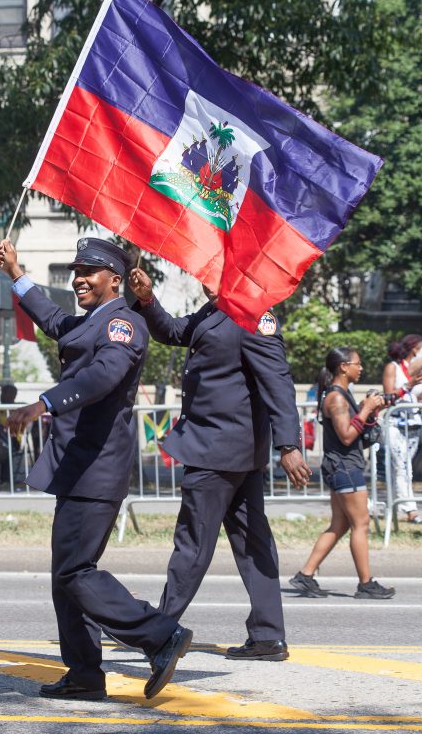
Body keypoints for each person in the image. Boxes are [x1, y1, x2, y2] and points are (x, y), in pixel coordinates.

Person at [0, 238, 192, 701]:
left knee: (75, 572)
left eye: (90, 271)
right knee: (67, 576)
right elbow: (54, 320)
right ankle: (84, 672)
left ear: (115, 281)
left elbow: (102, 376)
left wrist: (44, 402)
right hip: (78, 469)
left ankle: (159, 633)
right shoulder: (91, 322)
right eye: (76, 270)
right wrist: (16, 273)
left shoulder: (124, 324)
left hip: (97, 470)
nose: (78, 278)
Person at [128, 267, 311, 662]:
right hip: (231, 450)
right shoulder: (212, 311)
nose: (207, 282)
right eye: (205, 275)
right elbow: (175, 332)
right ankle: (267, 636)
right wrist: (147, 300)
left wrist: (289, 444)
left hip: (218, 450)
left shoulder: (253, 312)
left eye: (216, 275)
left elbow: (278, 380)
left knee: (192, 543)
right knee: (251, 542)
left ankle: (160, 631)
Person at [290, 347, 395, 600]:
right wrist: (366, 409)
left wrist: (373, 407)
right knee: (361, 524)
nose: (361, 368)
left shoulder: (341, 394)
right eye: (357, 364)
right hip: (346, 468)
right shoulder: (336, 398)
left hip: (342, 467)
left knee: (340, 524)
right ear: (343, 367)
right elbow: (347, 435)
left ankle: (305, 575)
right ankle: (366, 584)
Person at [382, 334, 422, 524]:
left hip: (413, 424)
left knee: (405, 468)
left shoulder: (413, 370)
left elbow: (415, 397)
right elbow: (389, 397)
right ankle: (410, 509)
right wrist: (409, 385)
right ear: (414, 349)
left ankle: (392, 504)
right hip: (395, 424)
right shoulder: (393, 368)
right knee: (401, 467)